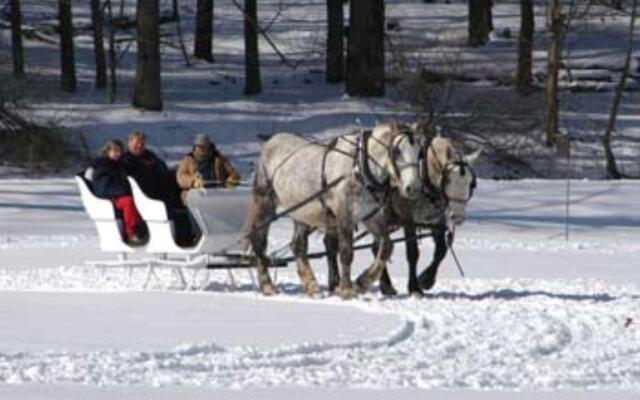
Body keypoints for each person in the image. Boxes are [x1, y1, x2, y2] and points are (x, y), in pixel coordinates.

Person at [92, 139, 145, 245]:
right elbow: (104, 188)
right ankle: (132, 233)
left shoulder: (123, 165)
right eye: (114, 151)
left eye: (119, 151)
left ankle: (144, 231)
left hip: (122, 194)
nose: (117, 154)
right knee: (128, 201)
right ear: (107, 152)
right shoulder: (103, 166)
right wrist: (124, 190)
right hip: (111, 199)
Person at [177, 133, 240, 204]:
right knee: (188, 197)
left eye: (204, 146)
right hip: (196, 193)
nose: (201, 149)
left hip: (217, 193)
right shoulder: (188, 159)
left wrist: (230, 181)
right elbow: (181, 177)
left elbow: (234, 174)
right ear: (195, 147)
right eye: (199, 146)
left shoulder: (219, 158)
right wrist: (193, 182)